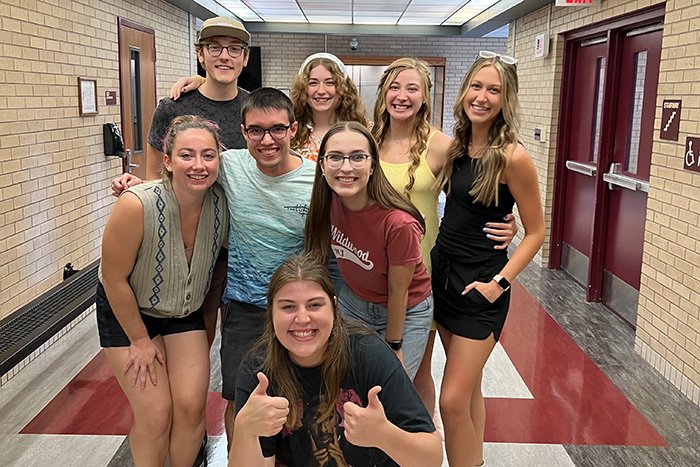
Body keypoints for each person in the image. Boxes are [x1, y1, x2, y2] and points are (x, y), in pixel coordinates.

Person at [113, 88, 316, 447]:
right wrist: (136, 186)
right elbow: (185, 173)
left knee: (301, 402)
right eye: (256, 130)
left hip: (300, 308)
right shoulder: (231, 165)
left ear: (294, 129)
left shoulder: (316, 180)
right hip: (245, 309)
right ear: (243, 132)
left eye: (277, 129)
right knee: (240, 401)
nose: (267, 140)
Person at [372, 57, 517, 416]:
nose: (402, 96)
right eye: (394, 86)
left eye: (412, 89)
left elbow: (475, 191)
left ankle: (421, 447)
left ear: (425, 97)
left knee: (417, 375)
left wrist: (506, 220)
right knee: (370, 373)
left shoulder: (443, 147)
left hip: (423, 277)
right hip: (370, 274)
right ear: (383, 93)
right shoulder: (367, 140)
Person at [431, 51, 545, 466]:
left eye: (493, 89)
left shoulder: (513, 157)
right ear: (464, 93)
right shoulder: (457, 147)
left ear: (505, 98)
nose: (482, 97)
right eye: (476, 87)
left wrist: (500, 283)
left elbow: (536, 231)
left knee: (452, 400)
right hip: (443, 275)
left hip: (482, 287)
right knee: (471, 390)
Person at [98, 115, 228, 466]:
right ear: (168, 161)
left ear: (220, 159)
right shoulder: (136, 204)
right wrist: (139, 340)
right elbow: (113, 279)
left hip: (182, 312)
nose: (198, 165)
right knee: (156, 414)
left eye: (208, 155)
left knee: (189, 408)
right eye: (187, 155)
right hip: (130, 312)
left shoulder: (224, 203)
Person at [231, 254, 442, 467]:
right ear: (271, 313)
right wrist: (244, 430)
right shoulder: (259, 369)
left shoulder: (368, 354)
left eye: (314, 305)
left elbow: (431, 458)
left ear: (334, 307)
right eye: (288, 307)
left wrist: (385, 435)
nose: (302, 318)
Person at [133, 15, 251, 349]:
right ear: (200, 55)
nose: (224, 56)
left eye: (233, 49)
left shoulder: (252, 109)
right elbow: (154, 174)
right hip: (185, 245)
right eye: (214, 48)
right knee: (195, 340)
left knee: (240, 344)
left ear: (245, 58)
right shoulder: (174, 107)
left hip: (240, 244)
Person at [305, 121, 432, 381]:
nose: (346, 167)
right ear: (322, 165)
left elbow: (399, 291)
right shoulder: (327, 203)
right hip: (355, 302)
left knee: (391, 390)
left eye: (357, 157)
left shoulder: (398, 223)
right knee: (350, 384)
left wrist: (394, 346)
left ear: (373, 166)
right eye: (335, 157)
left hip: (405, 310)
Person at [290, 52, 368, 160]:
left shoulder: (365, 129)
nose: (321, 91)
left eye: (330, 83)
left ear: (343, 89)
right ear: (302, 89)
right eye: (313, 83)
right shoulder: (290, 132)